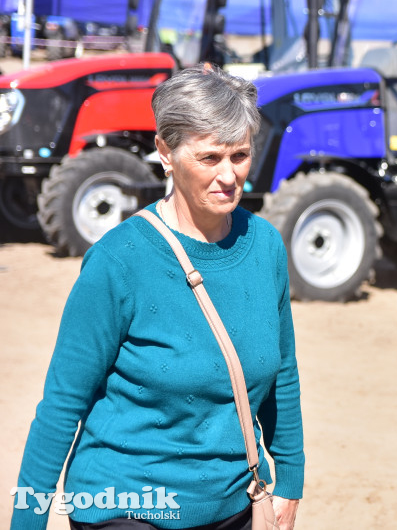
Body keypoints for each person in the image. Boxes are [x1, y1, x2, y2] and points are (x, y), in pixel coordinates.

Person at [12, 65, 303, 530]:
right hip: (126, 503)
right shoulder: (118, 261)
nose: (229, 175)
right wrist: (27, 521)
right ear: (166, 153)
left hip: (234, 503)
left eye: (241, 155)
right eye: (210, 158)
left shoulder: (265, 246)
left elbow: (282, 372)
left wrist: (289, 478)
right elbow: (63, 403)